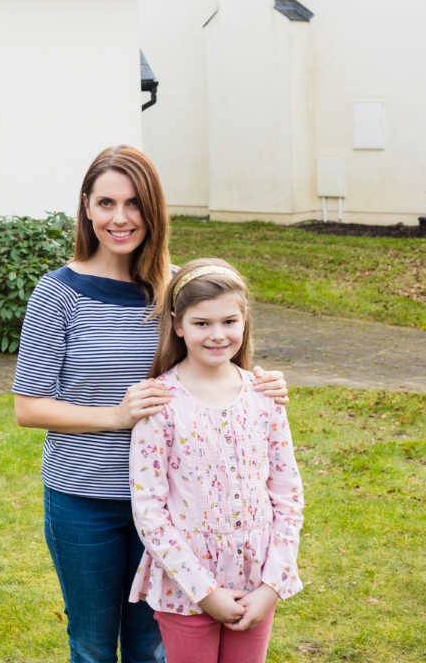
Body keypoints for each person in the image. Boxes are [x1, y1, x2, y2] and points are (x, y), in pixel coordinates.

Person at [13, 146, 289, 663]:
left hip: (177, 510)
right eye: (107, 203)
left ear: (155, 209)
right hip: (86, 500)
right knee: (93, 646)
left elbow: (216, 350)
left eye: (134, 203)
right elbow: (28, 407)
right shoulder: (58, 294)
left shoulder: (176, 286)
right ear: (87, 208)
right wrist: (115, 417)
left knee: (151, 646)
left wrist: (262, 382)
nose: (120, 218)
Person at [127, 259, 305, 663]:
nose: (218, 335)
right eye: (202, 324)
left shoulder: (264, 397)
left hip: (257, 579)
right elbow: (149, 511)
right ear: (178, 325)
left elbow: (288, 496)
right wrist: (205, 593)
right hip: (186, 588)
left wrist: (272, 586)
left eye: (229, 321)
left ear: (244, 321)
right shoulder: (161, 403)